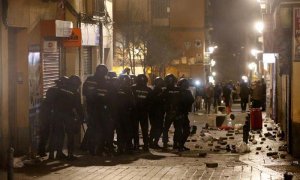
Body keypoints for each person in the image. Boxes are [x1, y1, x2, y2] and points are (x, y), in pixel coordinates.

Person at [38, 77, 66, 157]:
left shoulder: (51, 90)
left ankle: (44, 151)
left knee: (46, 134)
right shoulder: (60, 92)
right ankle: (54, 152)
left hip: (46, 115)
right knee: (57, 134)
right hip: (52, 115)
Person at [64, 75, 84, 160]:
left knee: (58, 136)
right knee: (71, 136)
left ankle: (54, 154)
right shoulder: (75, 93)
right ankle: (70, 154)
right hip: (70, 117)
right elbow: (78, 106)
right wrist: (81, 117)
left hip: (58, 116)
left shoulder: (63, 91)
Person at [131, 74, 152, 151]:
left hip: (136, 112)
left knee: (135, 129)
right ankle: (145, 145)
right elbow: (150, 102)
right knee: (144, 129)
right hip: (142, 112)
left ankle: (137, 144)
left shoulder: (133, 88)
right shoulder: (148, 90)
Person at [115, 75, 135, 154]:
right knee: (128, 131)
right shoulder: (129, 90)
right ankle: (128, 148)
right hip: (126, 114)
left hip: (118, 113)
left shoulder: (116, 89)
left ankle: (120, 148)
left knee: (120, 131)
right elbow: (132, 102)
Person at [162, 74, 181, 150]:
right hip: (177, 112)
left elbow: (162, 101)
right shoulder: (178, 90)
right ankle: (175, 143)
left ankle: (165, 143)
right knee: (178, 128)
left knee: (166, 128)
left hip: (169, 112)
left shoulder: (165, 90)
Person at [177, 78, 194, 151]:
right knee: (183, 130)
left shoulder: (179, 92)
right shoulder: (180, 92)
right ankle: (179, 145)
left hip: (182, 113)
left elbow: (191, 100)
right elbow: (191, 100)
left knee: (183, 130)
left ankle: (180, 145)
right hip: (179, 113)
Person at [148, 77, 165, 149]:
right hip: (155, 113)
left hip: (159, 112)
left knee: (158, 128)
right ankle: (152, 142)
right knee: (156, 128)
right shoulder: (154, 91)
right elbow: (154, 101)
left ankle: (153, 142)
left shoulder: (159, 90)